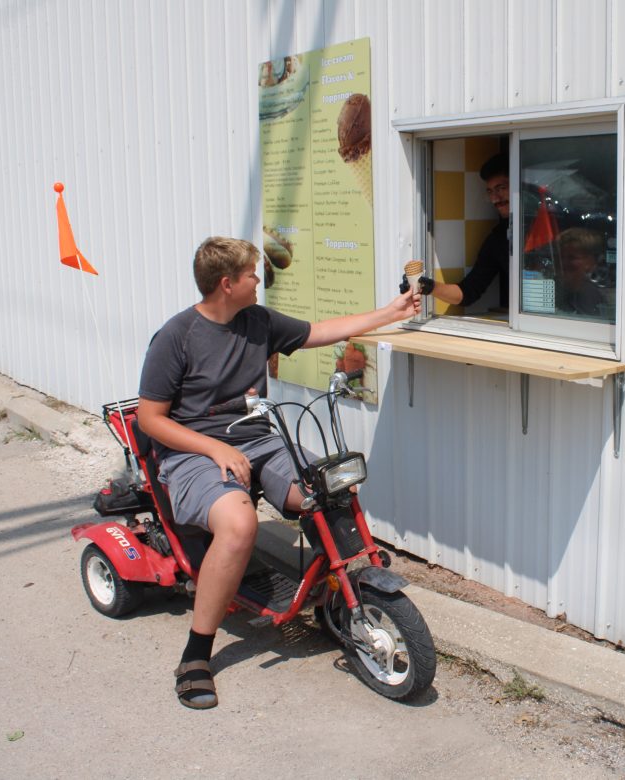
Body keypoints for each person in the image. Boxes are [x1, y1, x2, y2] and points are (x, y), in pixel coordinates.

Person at [136, 236, 420, 710]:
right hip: (189, 454)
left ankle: (341, 597)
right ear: (227, 284)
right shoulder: (176, 337)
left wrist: (390, 313)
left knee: (329, 487)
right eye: (252, 274)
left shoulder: (258, 322)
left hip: (258, 440)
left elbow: (322, 330)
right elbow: (150, 418)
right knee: (240, 524)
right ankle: (196, 655)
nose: (259, 281)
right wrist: (212, 448)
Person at [403, 152, 511, 310]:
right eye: (490, 192)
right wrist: (428, 286)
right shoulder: (499, 239)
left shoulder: (552, 222)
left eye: (501, 188)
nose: (495, 199)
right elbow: (468, 292)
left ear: (519, 185)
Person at [554, 227, 607, 317]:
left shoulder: (590, 295)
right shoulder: (556, 288)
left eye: (572, 257)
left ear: (590, 262)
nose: (563, 262)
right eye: (560, 256)